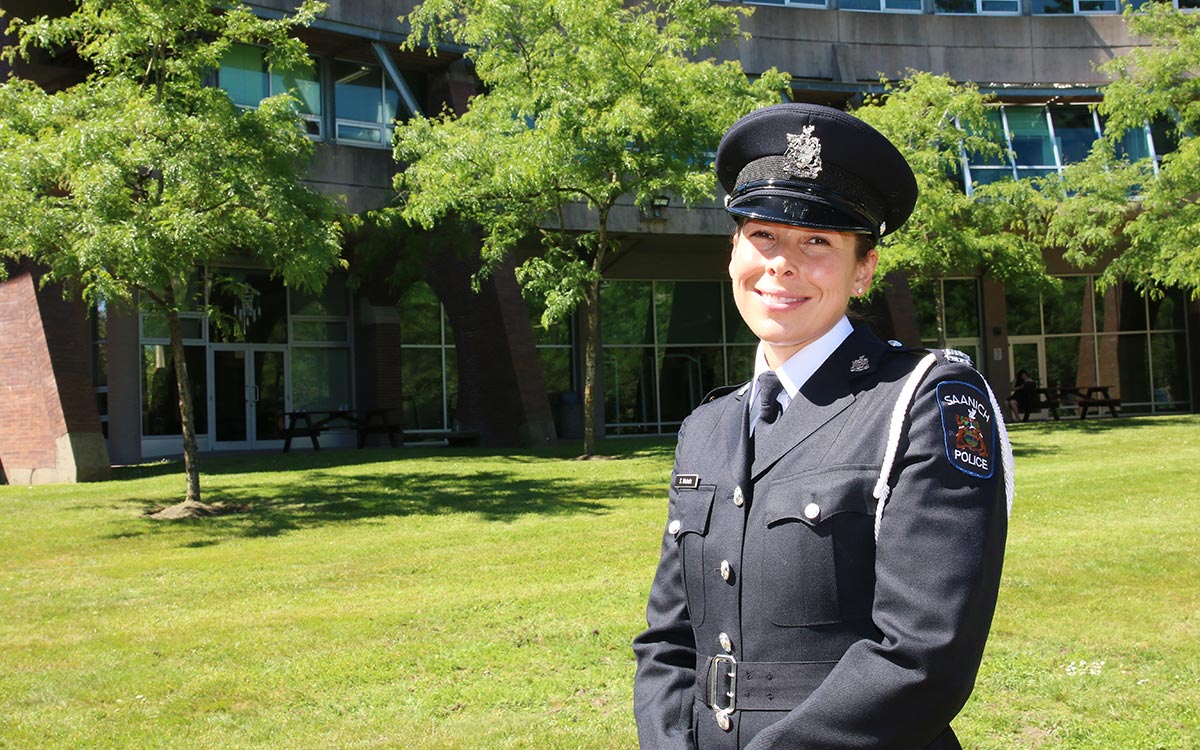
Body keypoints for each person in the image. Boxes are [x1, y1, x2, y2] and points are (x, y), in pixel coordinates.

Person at [632, 103, 1013, 750]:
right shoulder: (708, 426)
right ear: (732, 254)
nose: (781, 264)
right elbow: (668, 641)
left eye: (816, 242)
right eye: (763, 236)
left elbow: (924, 655)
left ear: (863, 269)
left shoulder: (924, 401)